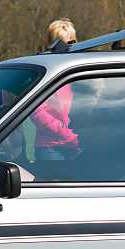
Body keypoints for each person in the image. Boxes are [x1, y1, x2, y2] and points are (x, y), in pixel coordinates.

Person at [33, 20, 80, 159]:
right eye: (60, 43)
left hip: (74, 145)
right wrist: (67, 135)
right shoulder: (46, 74)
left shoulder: (75, 75)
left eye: (72, 43)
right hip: (50, 148)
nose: (67, 48)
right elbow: (37, 113)